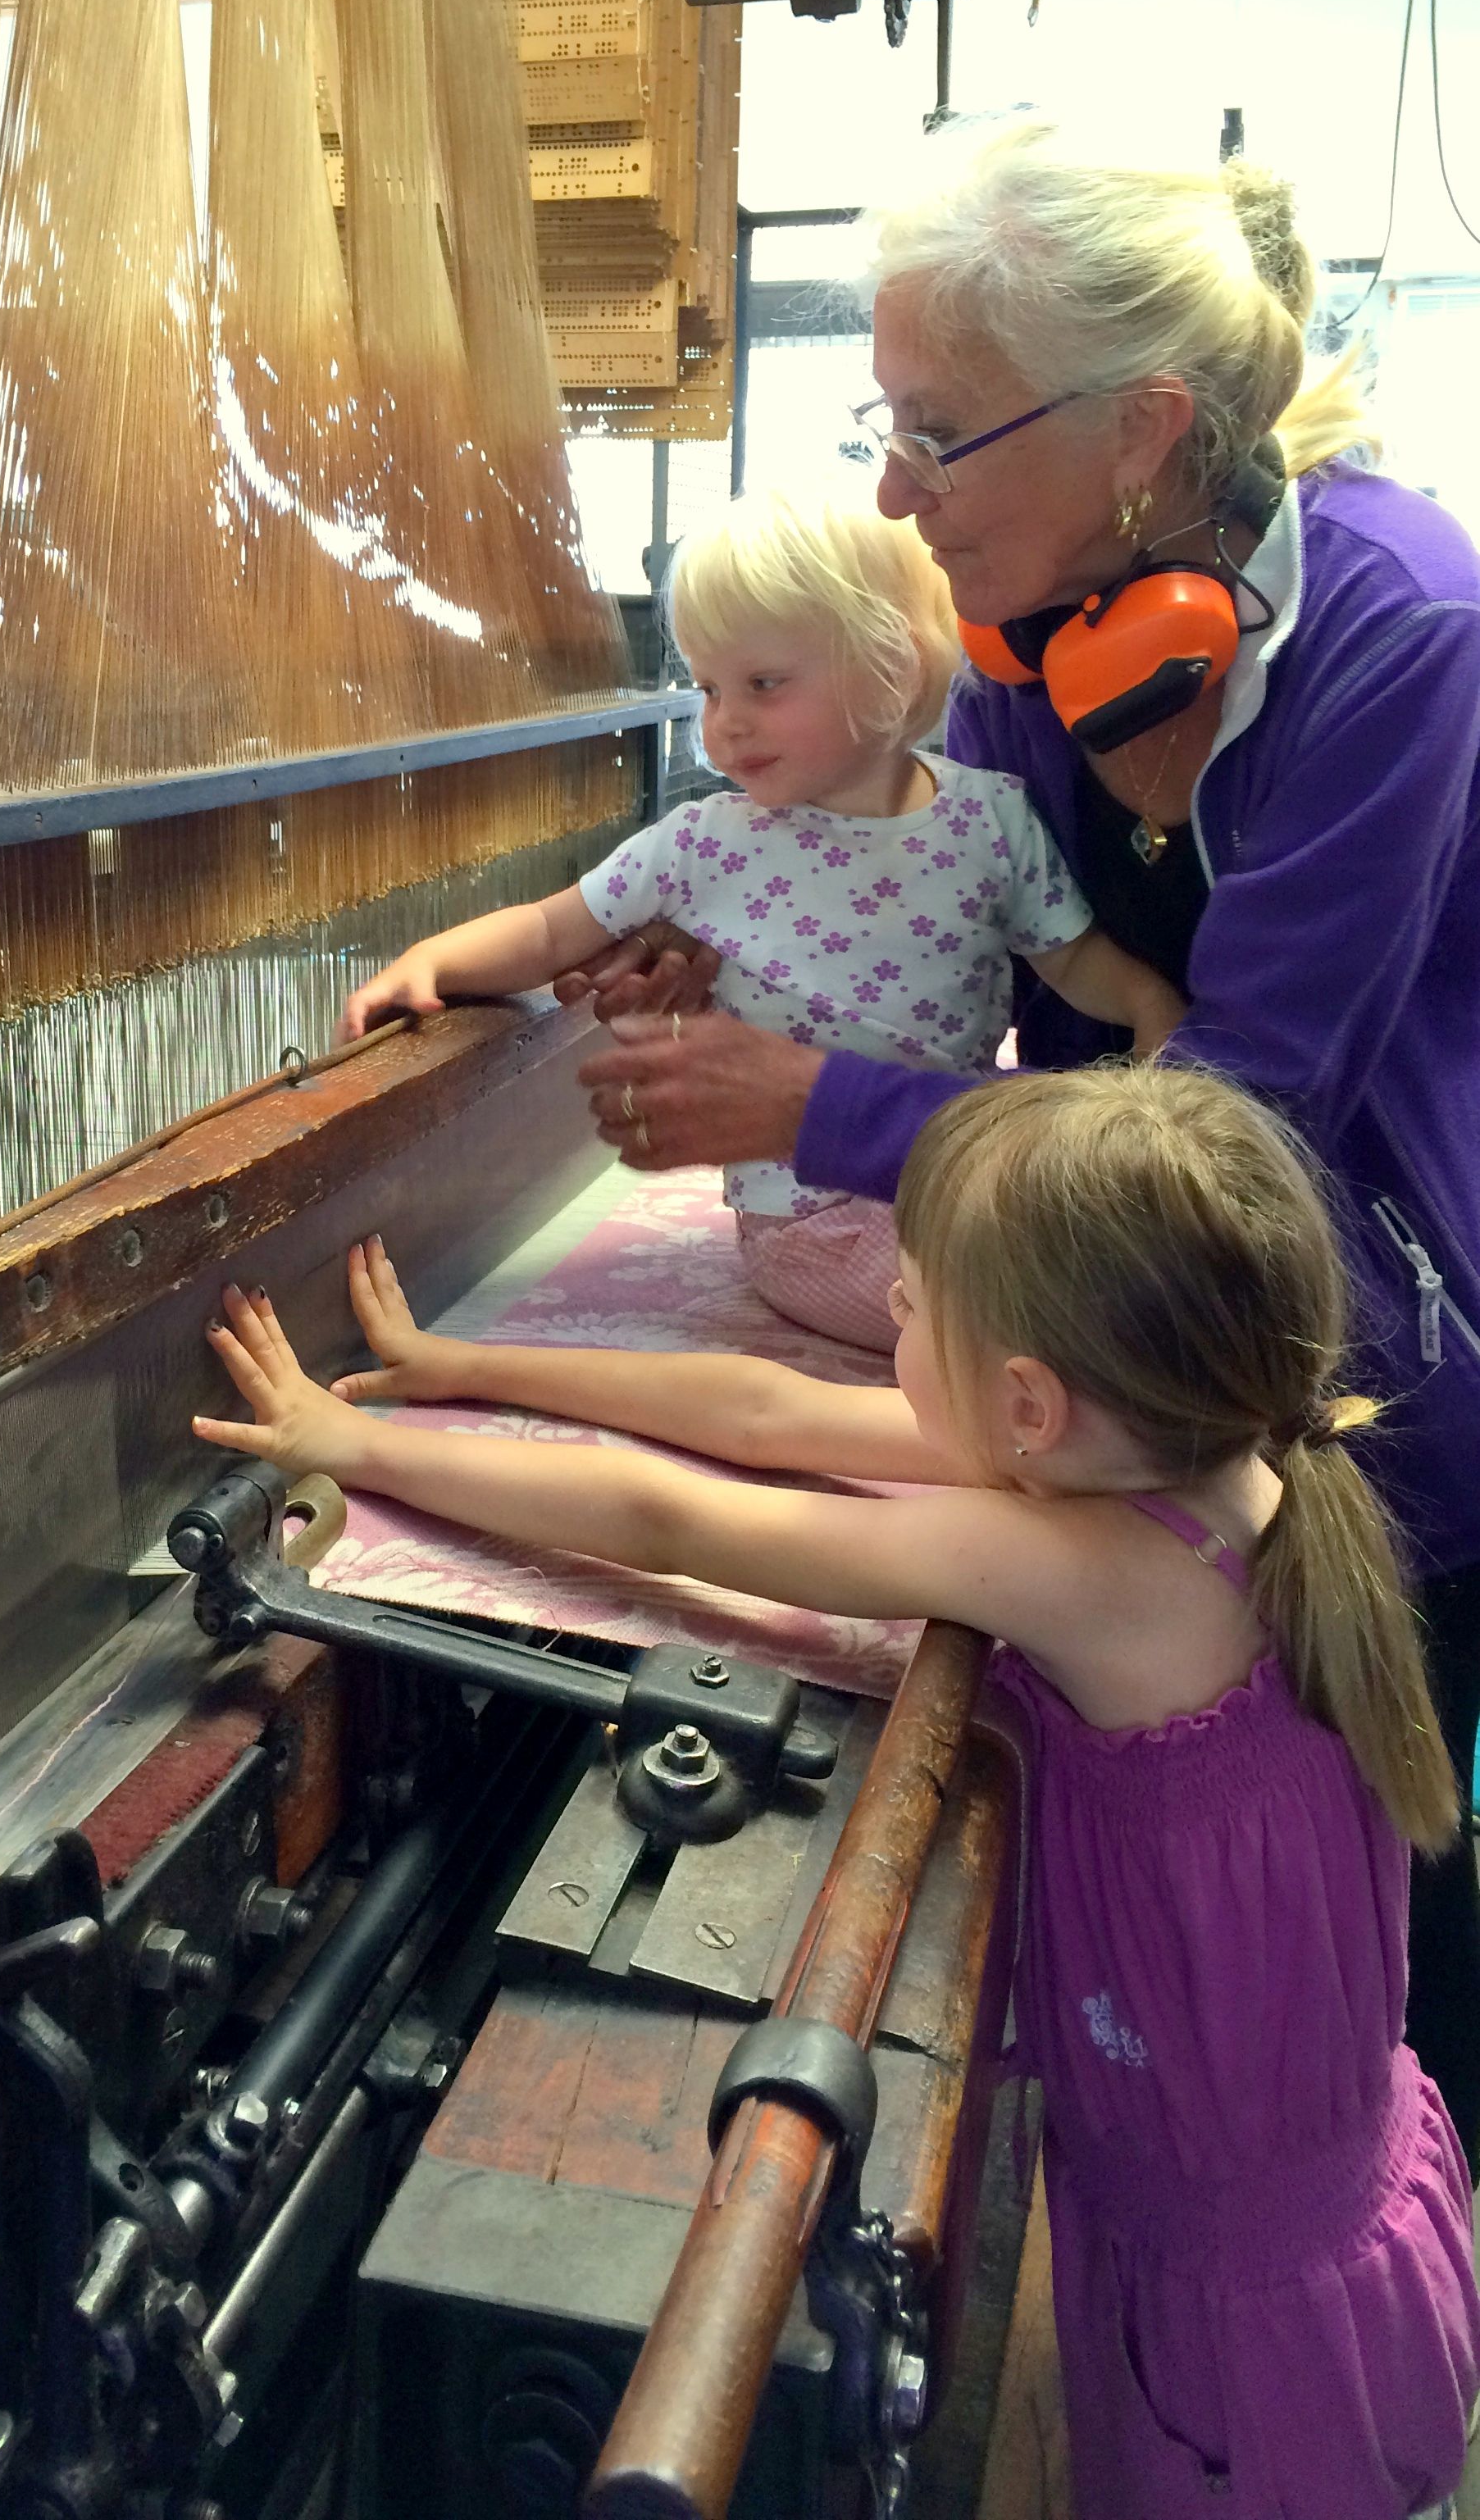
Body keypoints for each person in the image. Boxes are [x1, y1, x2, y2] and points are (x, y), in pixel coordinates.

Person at [193, 1064, 1478, 2520]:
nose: (888, 1323)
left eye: (913, 1304)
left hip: (1244, 2333)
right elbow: (765, 1412)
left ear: (1028, 1405)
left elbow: (687, 1523)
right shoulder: (1205, 1455)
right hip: (1312, 2203)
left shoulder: (1089, 1569)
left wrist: (353, 1449)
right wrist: (464, 1368)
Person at [570, 126, 1480, 2158]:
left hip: (1376, 1348)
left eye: (939, 433)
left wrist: (816, 1101)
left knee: (1366, 1915)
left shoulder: (1400, 624)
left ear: (1145, 427)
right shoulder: (1024, 628)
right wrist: (749, 939)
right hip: (1138, 1341)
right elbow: (955, 917)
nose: (893, 492)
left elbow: (1239, 1128)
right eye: (881, 427)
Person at [339, 481, 1181, 1347]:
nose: (724, 724)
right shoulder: (706, 843)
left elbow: (1073, 959)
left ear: (890, 667)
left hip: (954, 1175)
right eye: (707, 687)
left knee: (1093, 1262)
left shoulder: (990, 818)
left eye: (763, 683)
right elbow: (556, 930)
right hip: (810, 1221)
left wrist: (1153, 1009)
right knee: (1024, 1318)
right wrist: (433, 961)